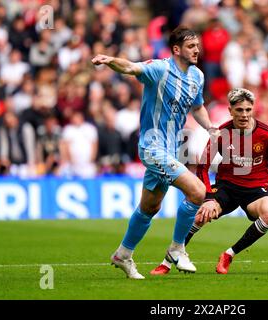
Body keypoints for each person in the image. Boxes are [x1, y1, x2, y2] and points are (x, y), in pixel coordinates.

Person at [91, 26, 217, 279]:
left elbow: (198, 107)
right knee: (197, 191)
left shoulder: (198, 76)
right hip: (152, 146)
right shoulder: (160, 69)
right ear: (176, 49)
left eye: (198, 46)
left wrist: (212, 128)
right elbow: (131, 67)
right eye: (191, 46)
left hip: (173, 148)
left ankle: (123, 255)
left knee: (149, 207)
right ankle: (177, 249)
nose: (197, 50)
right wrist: (110, 61)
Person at [151, 88, 268, 275]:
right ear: (230, 110)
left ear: (253, 109)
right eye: (239, 110)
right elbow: (203, 167)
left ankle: (229, 254)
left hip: (255, 190)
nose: (244, 115)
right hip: (226, 188)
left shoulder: (267, 134)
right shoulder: (220, 134)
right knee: (200, 216)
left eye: (248, 110)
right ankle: (166, 263)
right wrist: (208, 198)